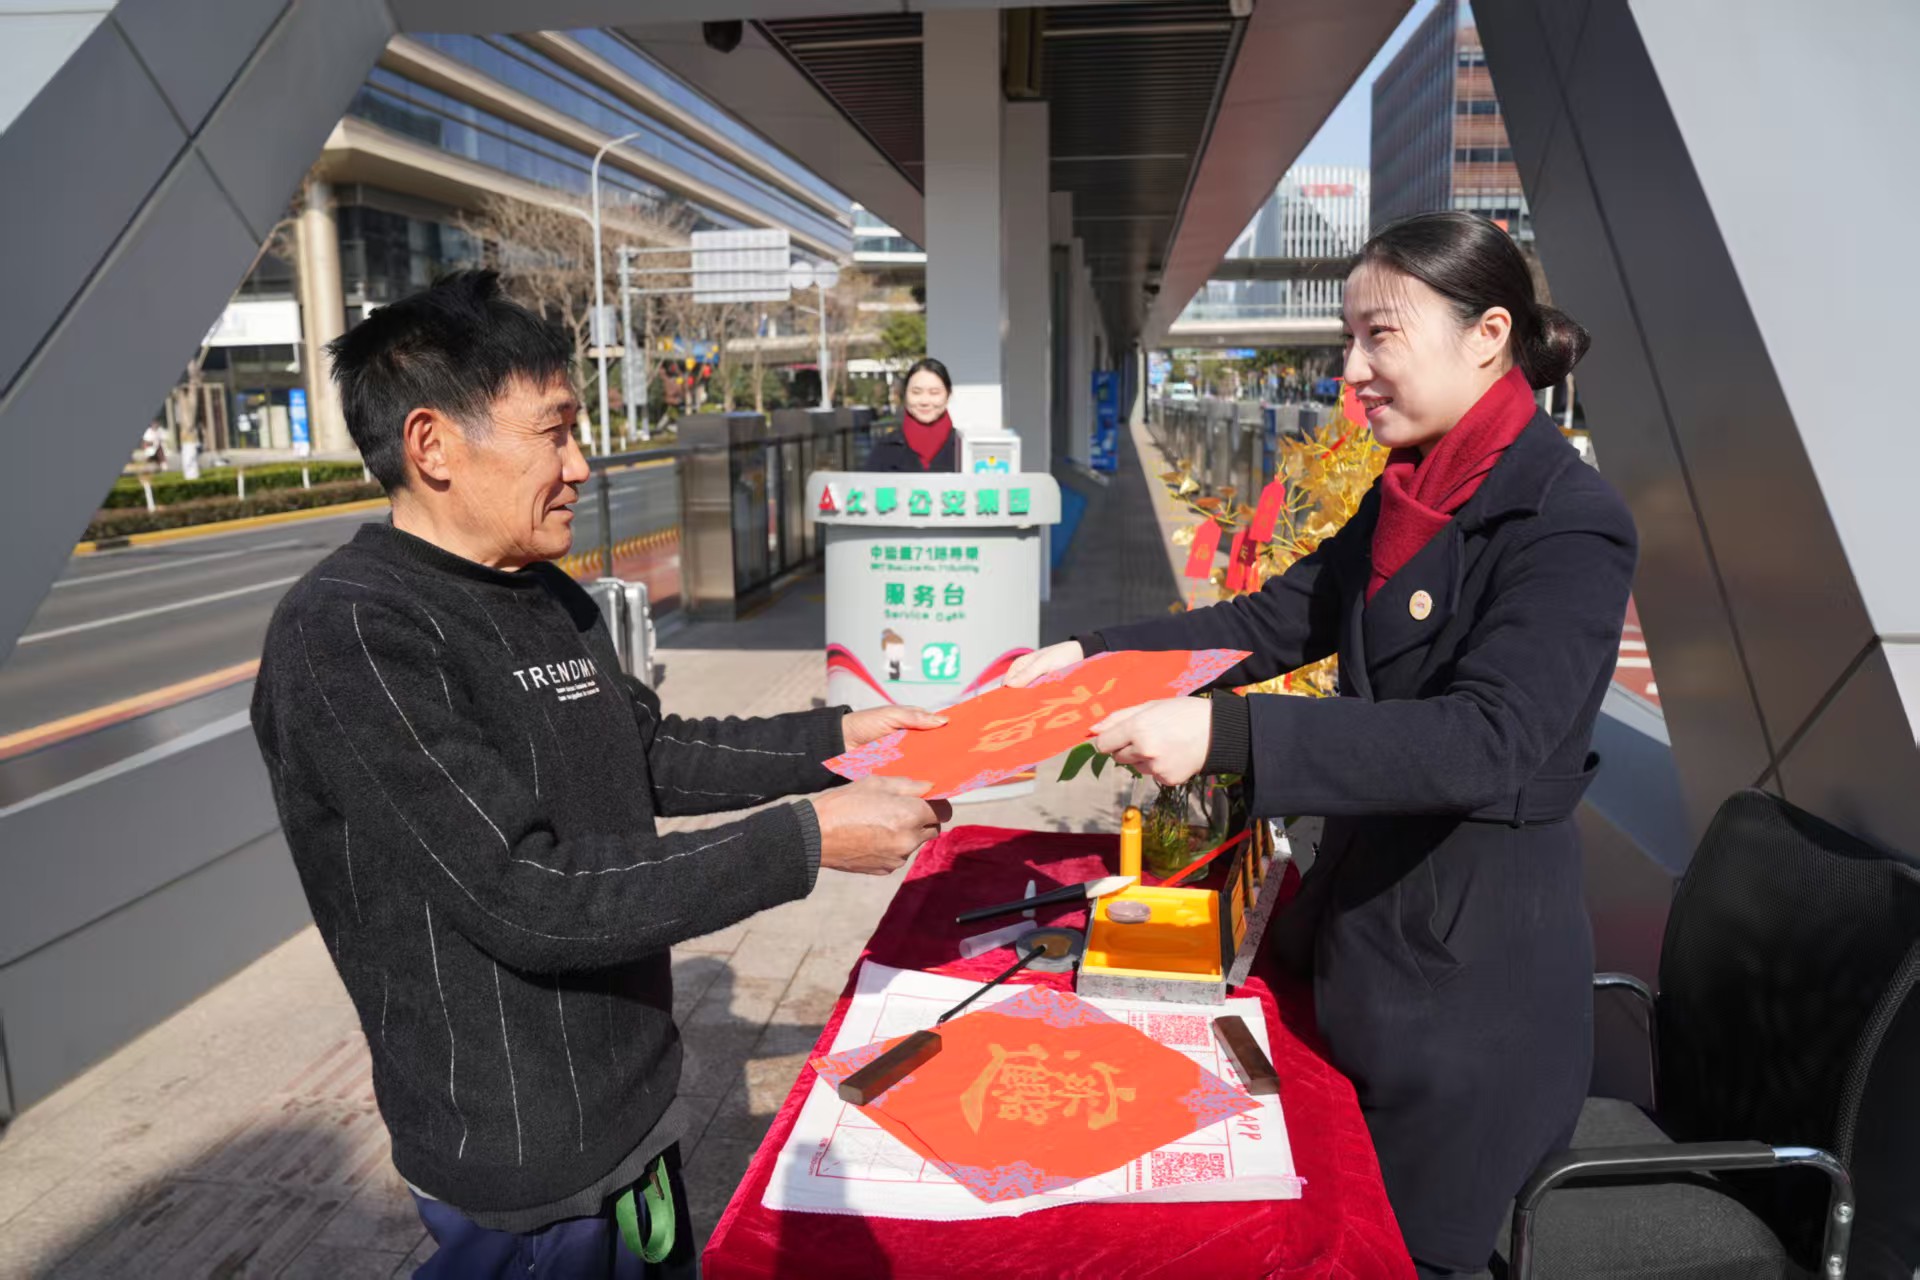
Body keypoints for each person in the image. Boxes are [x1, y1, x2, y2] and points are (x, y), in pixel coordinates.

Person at [249, 271, 951, 1278]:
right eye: (555, 432)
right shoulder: (353, 634)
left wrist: (845, 735)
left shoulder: (542, 590)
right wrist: (807, 840)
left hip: (633, 1101)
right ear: (432, 445)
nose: (581, 465)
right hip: (526, 1151)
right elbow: (525, 894)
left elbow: (647, 751)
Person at [1007, 212, 1637, 1277]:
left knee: (1403, 1254)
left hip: (1464, 987)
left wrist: (1227, 731)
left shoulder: (1568, 520)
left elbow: (1488, 738)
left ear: (1488, 335)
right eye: (1350, 338)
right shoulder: (1412, 492)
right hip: (1357, 943)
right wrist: (1091, 656)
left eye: (1379, 335)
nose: (1352, 370)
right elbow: (1268, 622)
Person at [865, 357, 960, 471]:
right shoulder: (885, 448)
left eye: (934, 393)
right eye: (916, 392)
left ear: (948, 395)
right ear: (905, 394)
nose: (924, 401)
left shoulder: (963, 447)